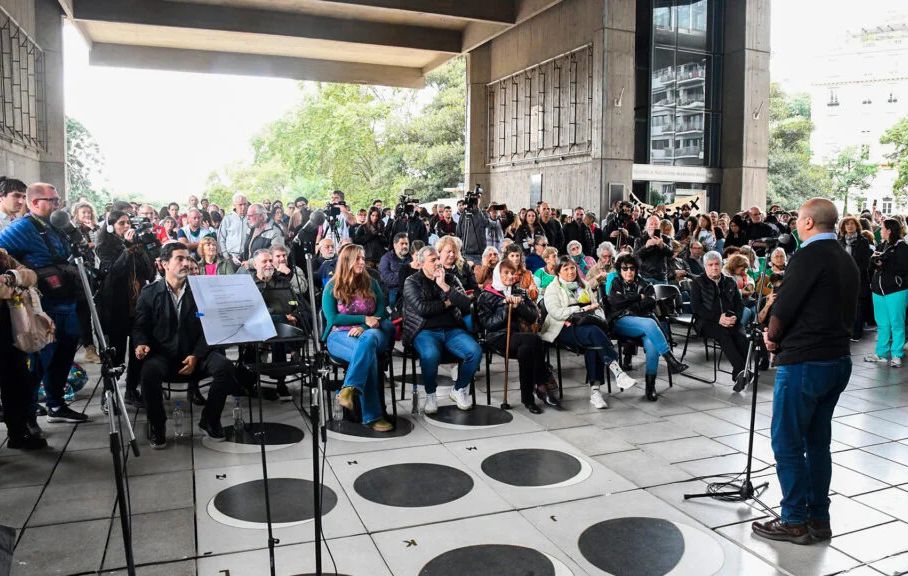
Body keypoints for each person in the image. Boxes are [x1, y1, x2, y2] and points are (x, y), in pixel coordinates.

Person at [752, 198, 858, 545]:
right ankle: (819, 518)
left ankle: (794, 519)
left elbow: (786, 304)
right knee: (817, 442)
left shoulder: (808, 256)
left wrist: (772, 336)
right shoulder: (845, 257)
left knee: (786, 442)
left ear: (809, 222)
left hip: (805, 362)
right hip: (837, 360)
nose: (796, 223)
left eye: (799, 218)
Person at [133, 242, 239, 449]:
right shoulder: (149, 293)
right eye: (179, 259)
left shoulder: (201, 290)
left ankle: (209, 419)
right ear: (164, 264)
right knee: (148, 373)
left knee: (225, 368)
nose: (186, 263)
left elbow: (210, 326)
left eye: (188, 258)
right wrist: (141, 344)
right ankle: (157, 425)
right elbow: (139, 326)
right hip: (163, 355)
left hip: (197, 353)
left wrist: (197, 355)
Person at [0, 183, 90, 426]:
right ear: (34, 203)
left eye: (57, 199)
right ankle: (27, 415)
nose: (56, 204)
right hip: (43, 307)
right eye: (50, 200)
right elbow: (3, 256)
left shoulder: (59, 226)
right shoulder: (20, 228)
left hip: (68, 302)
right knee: (39, 362)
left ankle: (56, 404)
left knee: (64, 357)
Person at [540, 256, 635, 409]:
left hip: (587, 324)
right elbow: (556, 312)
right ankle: (616, 372)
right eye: (566, 269)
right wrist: (580, 309)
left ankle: (596, 392)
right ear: (558, 272)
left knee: (593, 341)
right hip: (562, 328)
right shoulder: (553, 288)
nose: (571, 272)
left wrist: (595, 309)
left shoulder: (583, 284)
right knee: (594, 334)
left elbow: (596, 306)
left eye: (572, 268)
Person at [323, 245, 395, 432]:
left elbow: (381, 310)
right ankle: (372, 416)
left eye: (363, 258)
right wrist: (363, 318)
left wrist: (364, 326)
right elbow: (333, 318)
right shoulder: (332, 286)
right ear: (346, 261)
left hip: (372, 332)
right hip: (339, 335)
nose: (362, 262)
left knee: (368, 341)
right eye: (358, 259)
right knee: (367, 354)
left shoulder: (371, 283)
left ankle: (348, 389)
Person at [402, 246, 481, 413]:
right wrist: (447, 303)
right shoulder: (412, 281)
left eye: (438, 258)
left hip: (452, 328)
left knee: (475, 351)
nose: (438, 262)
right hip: (423, 330)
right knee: (430, 355)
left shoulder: (450, 279)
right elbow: (423, 309)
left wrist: (445, 286)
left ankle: (459, 389)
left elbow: (467, 305)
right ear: (422, 263)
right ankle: (431, 394)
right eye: (433, 260)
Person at [95, 210, 157, 406]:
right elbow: (112, 274)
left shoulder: (137, 245)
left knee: (139, 351)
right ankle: (109, 394)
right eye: (122, 223)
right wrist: (127, 249)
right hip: (115, 309)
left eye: (128, 222)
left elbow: (149, 273)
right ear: (111, 226)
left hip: (137, 308)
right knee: (115, 354)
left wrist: (141, 250)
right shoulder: (104, 247)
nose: (127, 226)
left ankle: (132, 390)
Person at [608, 253, 689, 401]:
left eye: (632, 268)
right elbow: (615, 303)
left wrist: (628, 302)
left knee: (652, 344)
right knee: (650, 322)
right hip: (621, 322)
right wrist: (638, 298)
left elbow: (650, 303)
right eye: (625, 268)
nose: (628, 271)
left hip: (644, 323)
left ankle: (650, 386)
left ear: (636, 269)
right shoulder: (615, 283)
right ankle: (670, 360)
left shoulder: (646, 284)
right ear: (620, 270)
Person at [476, 261, 551, 413]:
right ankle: (542, 385)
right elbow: (489, 324)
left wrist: (520, 306)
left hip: (520, 337)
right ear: (498, 274)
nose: (510, 276)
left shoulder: (520, 292)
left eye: (512, 273)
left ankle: (528, 400)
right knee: (535, 340)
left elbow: (533, 317)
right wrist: (506, 306)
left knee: (526, 351)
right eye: (506, 273)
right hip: (498, 337)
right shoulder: (486, 295)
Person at [0, 249, 47, 448]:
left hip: (10, 334)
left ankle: (18, 433)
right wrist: (15, 284)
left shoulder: (2, 254)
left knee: (18, 384)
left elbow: (31, 275)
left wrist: (12, 277)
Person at [690, 251, 749, 386]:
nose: (714, 267)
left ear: (722, 265)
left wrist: (735, 317)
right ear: (705, 267)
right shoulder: (698, 282)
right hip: (706, 322)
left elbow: (740, 304)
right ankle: (742, 370)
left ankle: (738, 374)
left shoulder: (729, 281)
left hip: (730, 319)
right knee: (723, 333)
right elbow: (696, 308)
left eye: (717, 264)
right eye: (710, 265)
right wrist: (718, 318)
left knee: (741, 336)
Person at [864, 218, 908, 367]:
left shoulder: (902, 247)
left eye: (882, 228)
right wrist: (875, 260)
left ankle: (897, 355)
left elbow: (903, 268)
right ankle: (881, 354)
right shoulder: (883, 245)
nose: (879, 231)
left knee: (897, 323)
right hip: (878, 290)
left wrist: (885, 262)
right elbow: (872, 265)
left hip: (896, 290)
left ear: (889, 230)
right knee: (882, 324)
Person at [838, 216, 873, 342]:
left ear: (857, 226)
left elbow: (865, 262)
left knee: (858, 306)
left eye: (852, 224)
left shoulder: (863, 241)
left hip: (858, 277)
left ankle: (856, 333)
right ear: (843, 227)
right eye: (847, 224)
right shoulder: (840, 241)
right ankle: (844, 330)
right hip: (842, 278)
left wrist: (853, 272)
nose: (850, 226)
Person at [634, 215, 674, 285]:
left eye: (656, 224)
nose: (653, 226)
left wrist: (662, 245)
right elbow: (636, 256)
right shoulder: (639, 240)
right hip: (645, 277)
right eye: (651, 224)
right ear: (646, 226)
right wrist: (646, 246)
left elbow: (671, 253)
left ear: (659, 226)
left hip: (661, 277)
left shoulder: (666, 239)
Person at [217, 193, 249, 266]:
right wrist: (227, 256)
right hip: (230, 257)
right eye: (240, 205)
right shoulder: (227, 218)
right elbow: (221, 239)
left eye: (245, 204)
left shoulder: (251, 218)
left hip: (246, 258)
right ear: (234, 205)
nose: (243, 207)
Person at [378, 232, 410, 307]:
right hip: (392, 290)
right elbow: (386, 277)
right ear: (395, 245)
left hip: (409, 289)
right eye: (402, 243)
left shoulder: (412, 258)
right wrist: (405, 278)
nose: (405, 246)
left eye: (407, 243)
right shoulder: (386, 258)